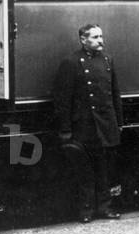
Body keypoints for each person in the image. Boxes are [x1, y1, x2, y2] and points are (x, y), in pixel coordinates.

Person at [53, 24, 123, 222]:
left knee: (104, 169)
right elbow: (63, 100)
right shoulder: (71, 62)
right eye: (95, 37)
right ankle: (86, 211)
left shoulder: (108, 60)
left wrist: (119, 122)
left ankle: (105, 208)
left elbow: (115, 94)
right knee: (85, 171)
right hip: (84, 125)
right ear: (83, 40)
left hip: (105, 124)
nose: (101, 40)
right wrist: (65, 130)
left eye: (101, 36)